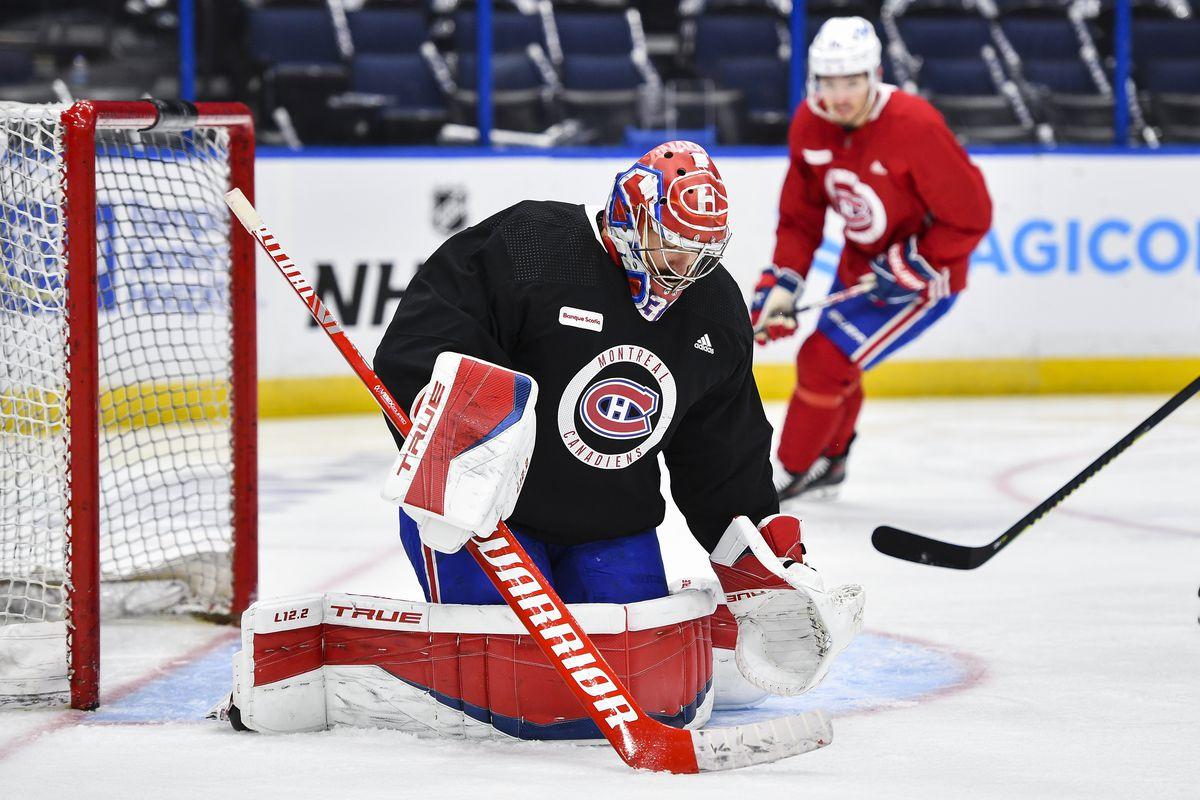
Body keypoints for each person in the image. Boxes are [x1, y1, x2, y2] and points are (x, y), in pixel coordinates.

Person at [369, 141, 863, 735]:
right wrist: (463, 447)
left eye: (701, 252)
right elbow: (422, 340)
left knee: (642, 685)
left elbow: (723, 451)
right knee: (517, 694)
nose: (685, 268)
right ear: (631, 215)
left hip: (610, 524)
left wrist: (767, 559)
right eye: (673, 245)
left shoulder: (714, 305)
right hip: (487, 518)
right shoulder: (532, 244)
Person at [750, 16, 993, 502]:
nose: (839, 96)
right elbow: (801, 216)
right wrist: (785, 283)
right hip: (861, 264)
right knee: (836, 362)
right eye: (829, 82)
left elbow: (970, 216)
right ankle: (832, 458)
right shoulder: (809, 122)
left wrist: (914, 265)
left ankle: (792, 469)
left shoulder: (914, 125)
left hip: (928, 274)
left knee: (824, 358)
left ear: (875, 74)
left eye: (852, 81)